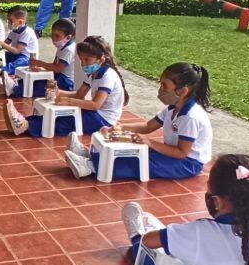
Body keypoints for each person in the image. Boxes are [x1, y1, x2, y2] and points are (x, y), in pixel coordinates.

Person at [67, 62, 212, 180]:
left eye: (164, 86)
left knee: (140, 162)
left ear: (182, 91)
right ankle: (90, 156)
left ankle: (90, 167)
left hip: (187, 164)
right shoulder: (172, 108)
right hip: (171, 154)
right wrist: (119, 128)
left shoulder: (190, 117)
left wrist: (149, 142)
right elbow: (148, 126)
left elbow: (182, 153)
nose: (160, 89)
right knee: (132, 151)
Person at [4, 35, 126, 139]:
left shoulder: (107, 76)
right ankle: (23, 122)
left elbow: (95, 105)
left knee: (67, 120)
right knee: (56, 115)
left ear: (101, 60)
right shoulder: (93, 73)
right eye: (81, 60)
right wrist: (58, 92)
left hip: (103, 120)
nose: (83, 64)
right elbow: (79, 94)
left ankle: (26, 126)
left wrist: (69, 102)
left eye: (87, 60)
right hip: (95, 114)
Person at [0, 17, 77, 97]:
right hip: (58, 76)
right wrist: (42, 68)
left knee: (40, 85)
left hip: (66, 82)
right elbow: (54, 65)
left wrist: (40, 63)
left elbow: (58, 69)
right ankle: (10, 86)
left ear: (68, 37)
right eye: (52, 35)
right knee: (37, 79)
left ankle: (14, 89)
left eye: (57, 36)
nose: (53, 38)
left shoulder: (68, 50)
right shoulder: (61, 46)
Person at [0, 6, 37, 76]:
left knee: (20, 62)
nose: (9, 23)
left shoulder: (27, 32)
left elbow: (17, 50)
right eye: (8, 20)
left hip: (27, 58)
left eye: (11, 21)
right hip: (14, 55)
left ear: (20, 22)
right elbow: (4, 44)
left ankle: (1, 71)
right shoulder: (13, 32)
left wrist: (1, 43)